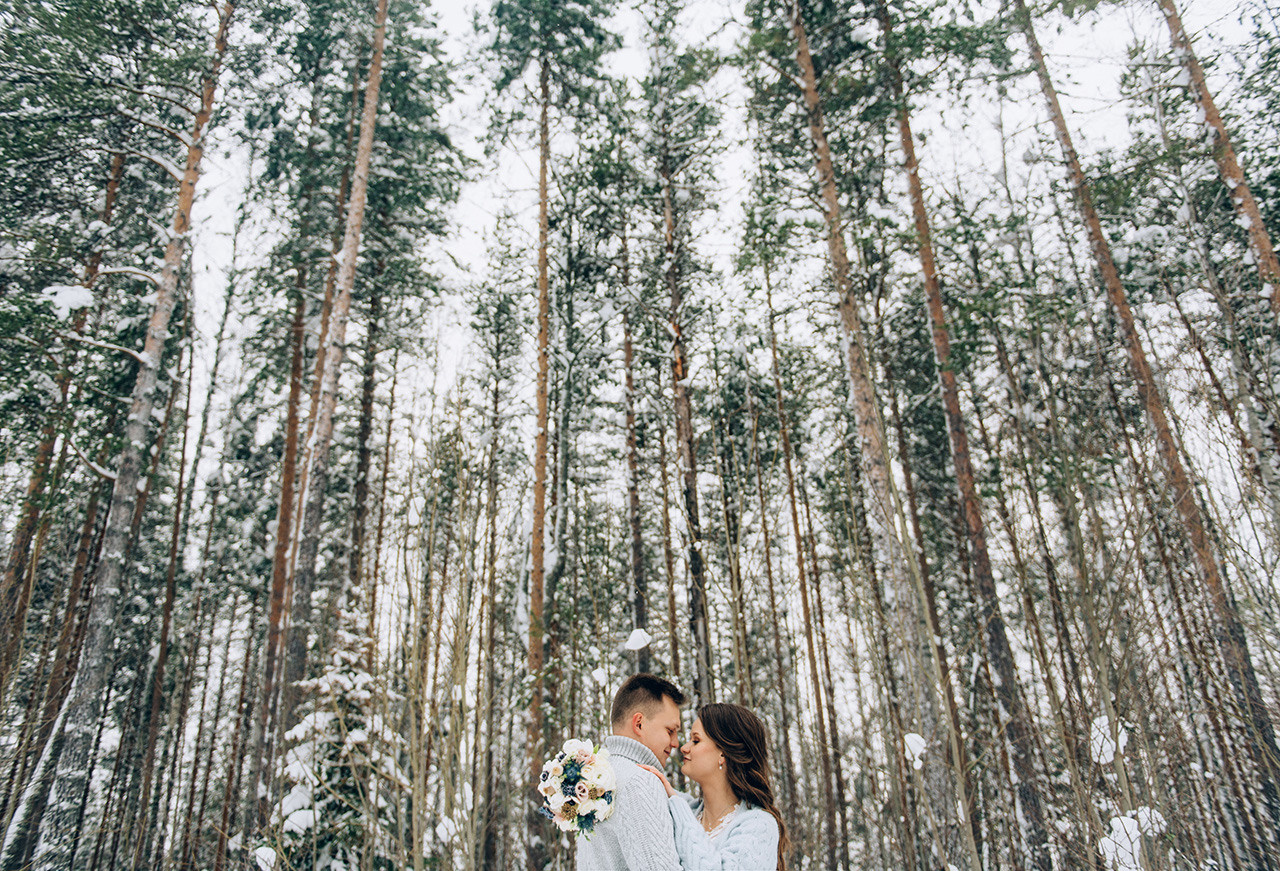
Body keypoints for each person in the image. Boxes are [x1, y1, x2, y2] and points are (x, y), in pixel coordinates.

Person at [639, 703, 788, 871]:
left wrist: (677, 805)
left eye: (696, 741)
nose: (684, 748)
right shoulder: (686, 809)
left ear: (723, 753)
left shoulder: (759, 826)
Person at [576, 673, 687, 871]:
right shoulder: (639, 781)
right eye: (670, 730)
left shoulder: (596, 777)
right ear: (639, 724)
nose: (676, 743)